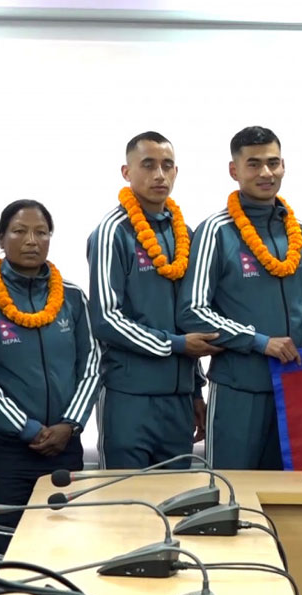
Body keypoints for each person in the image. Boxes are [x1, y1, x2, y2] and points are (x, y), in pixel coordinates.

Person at [178, 126, 302, 470]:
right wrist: (260, 342)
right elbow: (193, 311)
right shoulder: (216, 231)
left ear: (284, 165)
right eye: (254, 164)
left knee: (289, 491)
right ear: (234, 171)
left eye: (273, 163)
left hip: (294, 386)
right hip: (238, 389)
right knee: (232, 488)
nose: (266, 173)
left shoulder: (299, 232)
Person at [0, 200, 101, 546]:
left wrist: (70, 424)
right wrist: (27, 428)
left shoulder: (72, 297)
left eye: (41, 232)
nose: (31, 241)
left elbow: (93, 363)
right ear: (1, 239)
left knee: (64, 547)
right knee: (2, 551)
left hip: (64, 447)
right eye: (19, 231)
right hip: (3, 453)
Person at [87, 131, 218, 469]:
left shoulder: (185, 234)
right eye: (148, 165)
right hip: (129, 397)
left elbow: (189, 318)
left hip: (178, 400)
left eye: (167, 165)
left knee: (175, 496)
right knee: (125, 496)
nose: (159, 175)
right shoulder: (112, 232)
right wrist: (176, 345)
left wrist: (195, 391)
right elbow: (106, 319)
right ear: (126, 172)